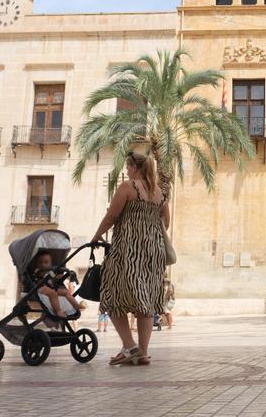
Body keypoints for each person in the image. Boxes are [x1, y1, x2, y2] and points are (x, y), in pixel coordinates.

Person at [91, 152, 169, 366]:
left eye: (128, 166)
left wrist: (97, 236)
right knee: (146, 299)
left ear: (135, 167)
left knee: (111, 294)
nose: (126, 170)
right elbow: (166, 223)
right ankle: (142, 352)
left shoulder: (129, 187)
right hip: (153, 251)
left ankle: (129, 346)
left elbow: (112, 216)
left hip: (128, 249)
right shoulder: (159, 193)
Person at [32, 250, 80, 319]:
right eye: (40, 262)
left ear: (50, 264)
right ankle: (58, 311)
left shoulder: (51, 272)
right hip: (40, 288)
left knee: (65, 292)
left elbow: (53, 279)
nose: (43, 264)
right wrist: (41, 272)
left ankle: (76, 305)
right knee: (52, 293)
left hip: (51, 288)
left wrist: (57, 277)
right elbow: (37, 277)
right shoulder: (38, 271)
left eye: (46, 262)